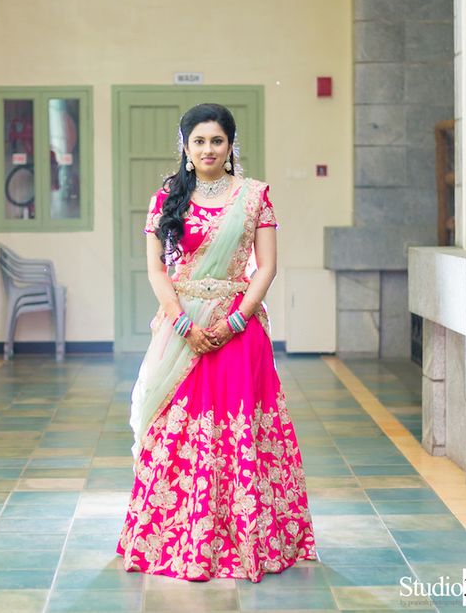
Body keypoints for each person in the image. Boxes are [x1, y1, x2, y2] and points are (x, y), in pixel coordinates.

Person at [116, 103, 317, 582]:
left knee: (240, 430)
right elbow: (156, 269)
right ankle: (178, 541)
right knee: (178, 431)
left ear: (231, 146)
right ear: (185, 146)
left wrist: (234, 321)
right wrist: (182, 323)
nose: (208, 149)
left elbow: (266, 267)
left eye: (217, 141)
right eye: (199, 141)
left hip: (239, 331)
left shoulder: (254, 196)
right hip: (181, 327)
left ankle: (251, 540)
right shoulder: (166, 198)